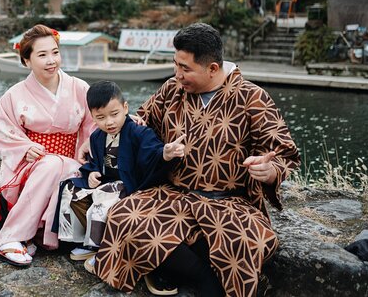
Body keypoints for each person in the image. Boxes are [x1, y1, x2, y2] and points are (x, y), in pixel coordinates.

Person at [90, 23, 300, 297]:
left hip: (229, 201)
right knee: (123, 216)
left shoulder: (252, 98)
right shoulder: (171, 90)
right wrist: (112, 132)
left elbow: (284, 152)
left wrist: (270, 170)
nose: (177, 74)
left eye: (185, 68)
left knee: (244, 241)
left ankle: (172, 268)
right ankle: (204, 280)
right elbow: (139, 122)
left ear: (213, 68)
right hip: (173, 193)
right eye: (175, 65)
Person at [0, 24, 96, 267]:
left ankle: (31, 235)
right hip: (29, 166)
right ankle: (11, 238)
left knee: (63, 167)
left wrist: (89, 144)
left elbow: (95, 126)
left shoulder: (79, 88)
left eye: (55, 52)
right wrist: (25, 147)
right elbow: (4, 132)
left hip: (72, 161)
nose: (52, 60)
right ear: (26, 61)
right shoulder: (14, 95)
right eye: (42, 55)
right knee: (50, 165)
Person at [57, 80, 180, 257]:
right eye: (101, 118)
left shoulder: (138, 132)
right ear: (92, 116)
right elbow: (94, 162)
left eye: (114, 114)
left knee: (102, 200)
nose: (109, 122)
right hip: (107, 180)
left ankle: (99, 248)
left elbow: (152, 153)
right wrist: (92, 173)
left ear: (125, 107)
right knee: (69, 189)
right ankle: (80, 239)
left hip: (128, 184)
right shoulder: (97, 136)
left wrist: (165, 154)